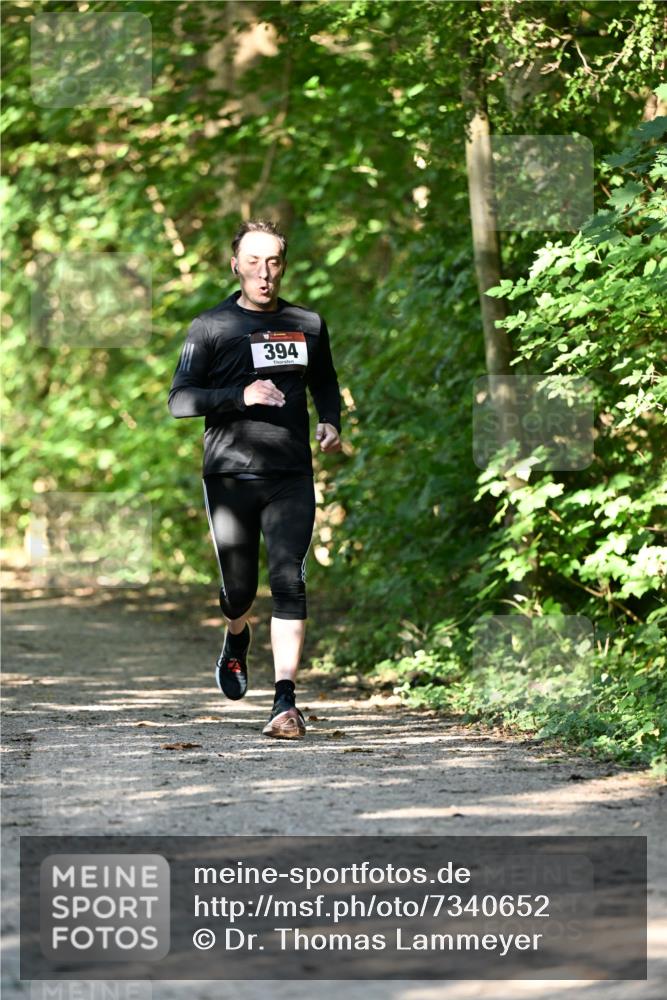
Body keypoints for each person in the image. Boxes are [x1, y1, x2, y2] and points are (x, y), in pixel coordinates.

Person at [168, 219, 342, 739]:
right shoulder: (211, 327)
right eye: (253, 262)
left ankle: (285, 701)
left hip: (290, 472)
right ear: (235, 264)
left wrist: (331, 420)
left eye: (273, 263)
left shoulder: (307, 323)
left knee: (289, 578)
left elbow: (325, 380)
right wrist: (237, 397)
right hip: (229, 475)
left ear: (282, 266)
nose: (264, 274)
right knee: (239, 590)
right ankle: (236, 633)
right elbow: (180, 400)